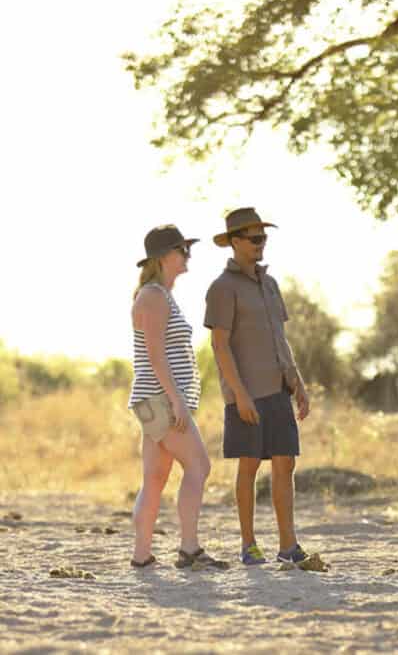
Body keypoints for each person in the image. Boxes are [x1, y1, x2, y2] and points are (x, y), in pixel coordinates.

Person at [204, 207, 311, 566]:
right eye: (254, 239)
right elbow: (219, 345)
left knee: (286, 465)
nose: (260, 244)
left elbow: (281, 337)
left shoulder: (270, 285)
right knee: (248, 468)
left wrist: (298, 382)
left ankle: (288, 546)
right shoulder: (222, 288)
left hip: (278, 390)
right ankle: (248, 545)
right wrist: (239, 395)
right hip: (246, 395)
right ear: (234, 243)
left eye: (263, 238)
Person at [129, 224, 221, 569]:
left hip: (154, 400)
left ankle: (142, 556)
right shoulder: (152, 296)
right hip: (160, 400)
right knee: (199, 466)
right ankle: (190, 550)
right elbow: (155, 355)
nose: (188, 256)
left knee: (154, 478)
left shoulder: (158, 295)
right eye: (183, 250)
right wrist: (176, 400)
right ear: (165, 257)